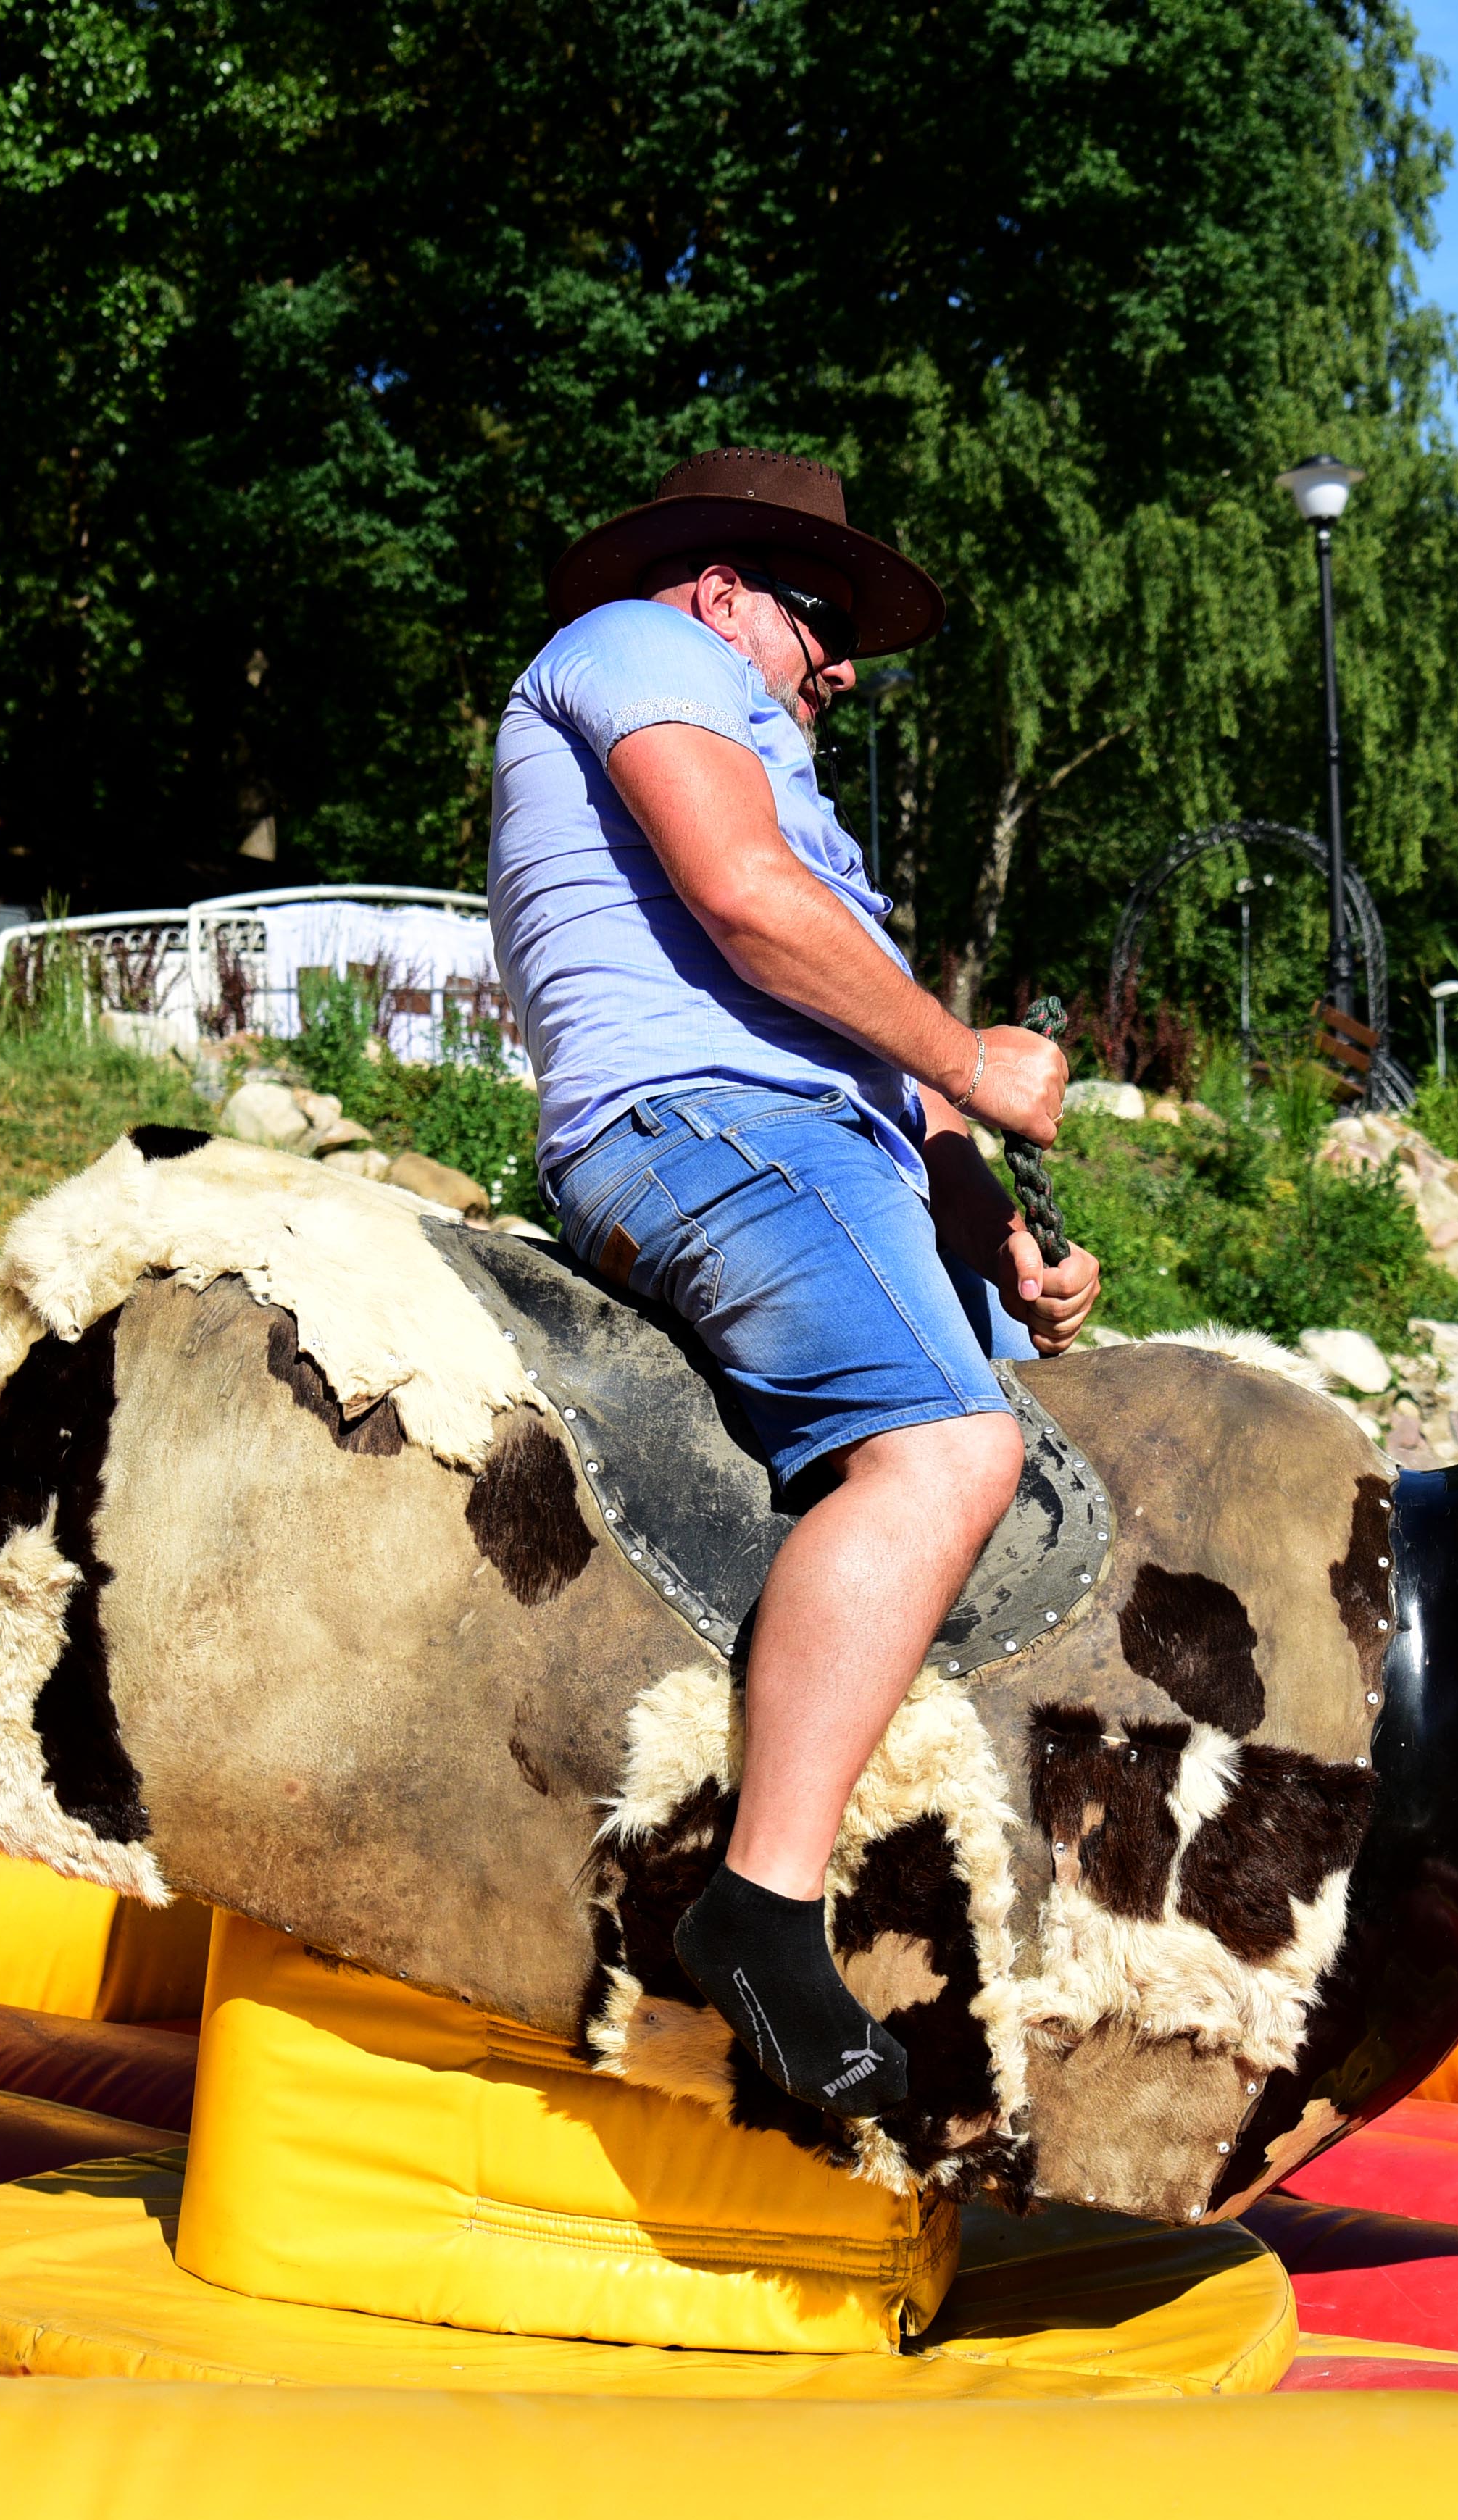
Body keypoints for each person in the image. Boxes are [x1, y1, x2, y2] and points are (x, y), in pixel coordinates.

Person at [488, 451, 1102, 2120]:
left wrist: (1006, 1250)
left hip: (799, 1141)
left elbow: (877, 1065)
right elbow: (750, 912)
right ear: (714, 589)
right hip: (706, 1128)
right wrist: (974, 1052)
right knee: (947, 1459)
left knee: (1030, 1467)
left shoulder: (769, 757)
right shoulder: (640, 644)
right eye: (817, 619)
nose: (841, 662)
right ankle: (755, 1908)